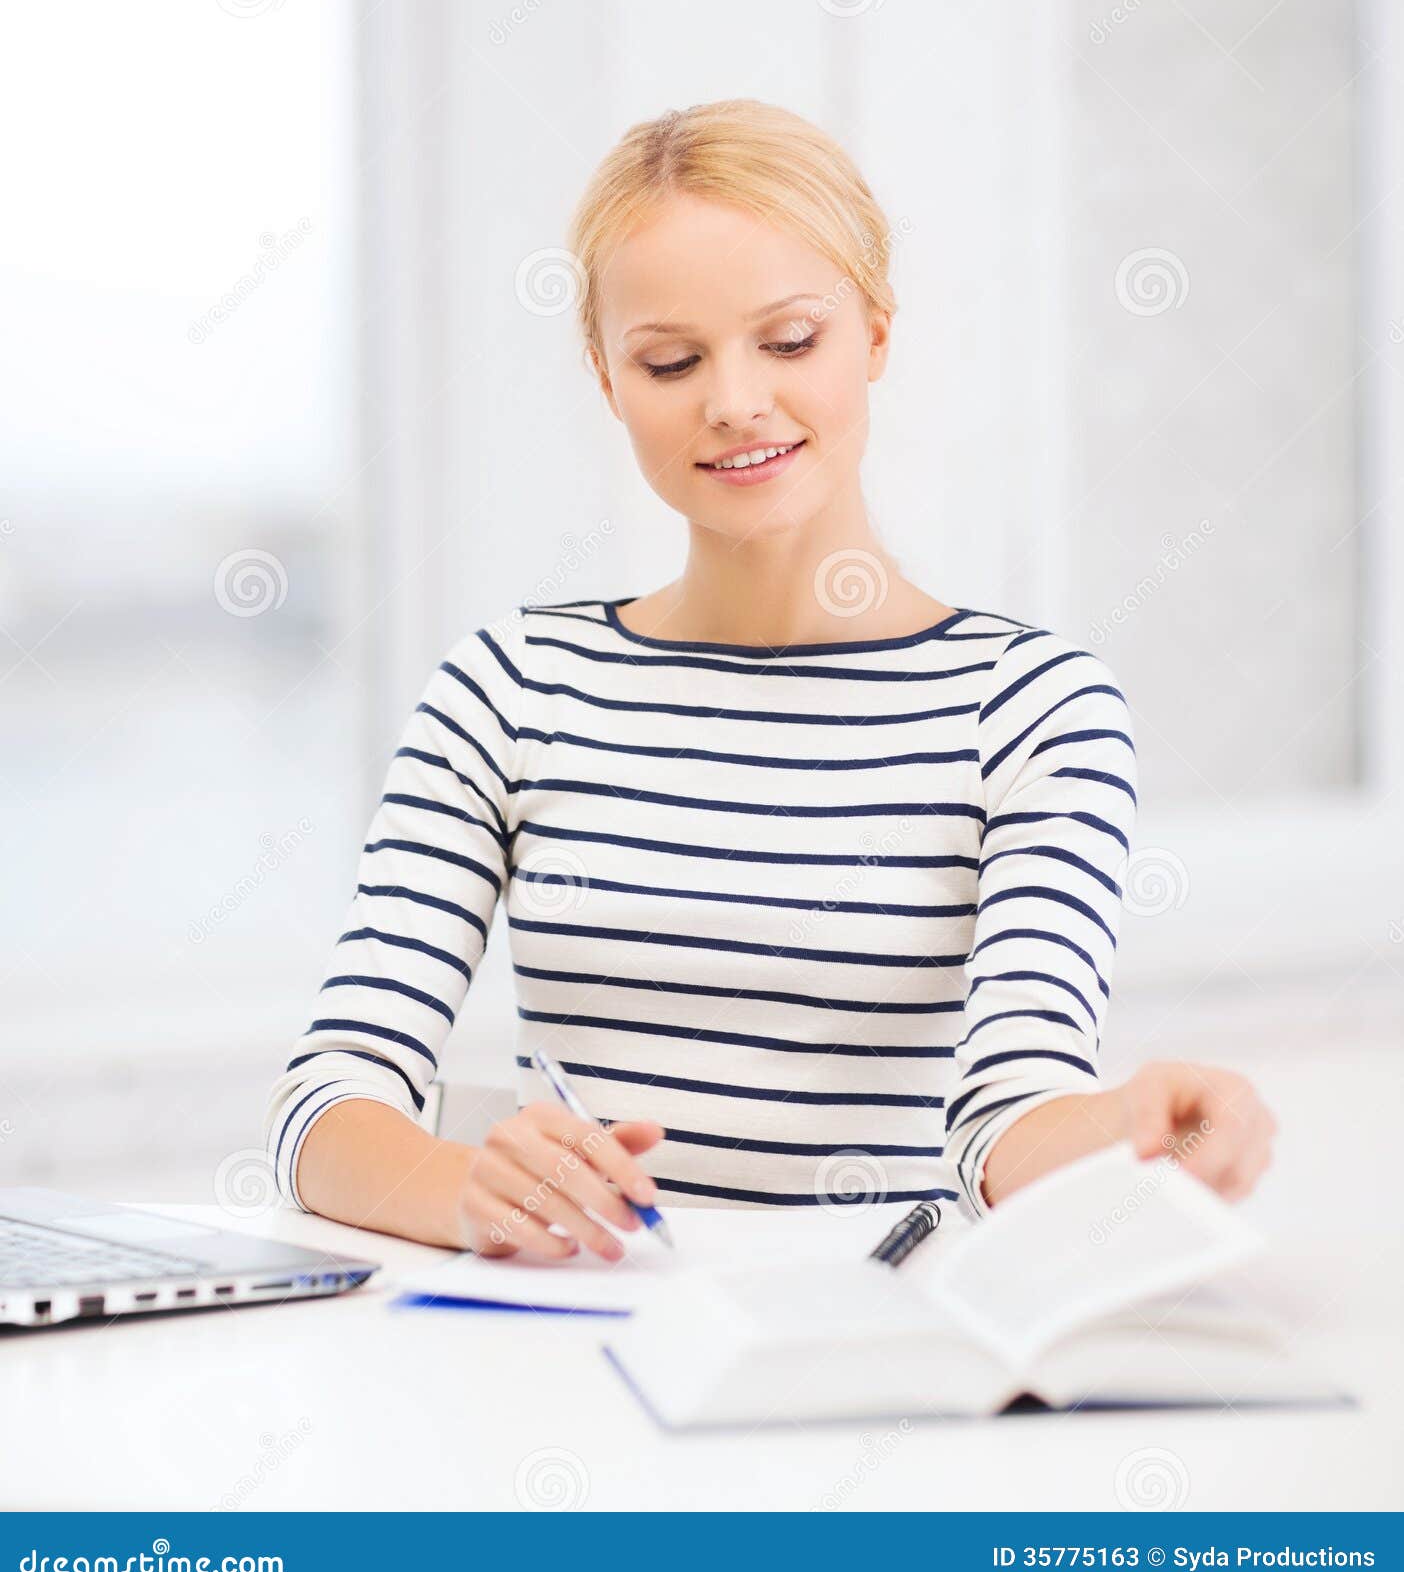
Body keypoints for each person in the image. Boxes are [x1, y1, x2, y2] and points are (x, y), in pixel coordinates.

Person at [263, 99, 1275, 1261]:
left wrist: (1130, 1129)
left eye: (790, 342)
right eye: (670, 360)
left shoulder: (1033, 707)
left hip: (872, 1358)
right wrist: (463, 1185)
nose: (734, 400)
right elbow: (325, 1103)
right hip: (564, 1355)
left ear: (877, 336)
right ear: (606, 377)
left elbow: (1007, 1118)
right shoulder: (510, 688)